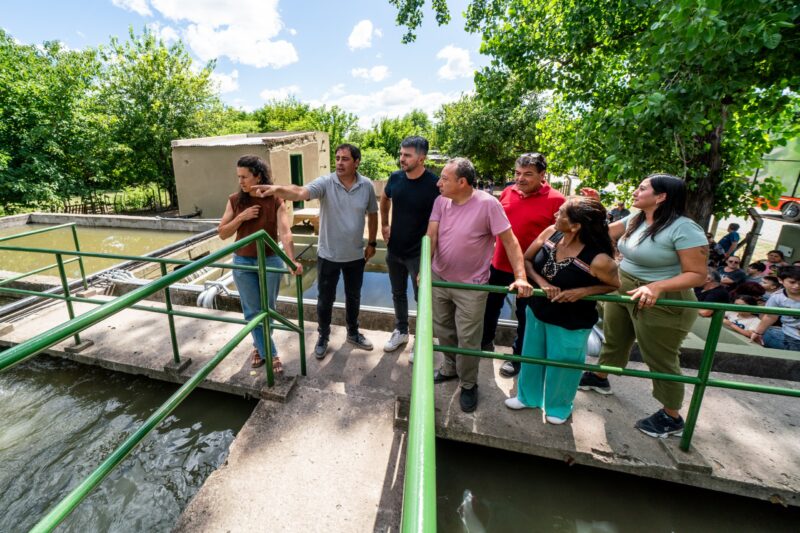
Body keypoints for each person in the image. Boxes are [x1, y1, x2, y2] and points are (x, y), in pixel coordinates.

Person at [578, 174, 707, 439]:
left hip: (662, 299)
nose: (635, 192)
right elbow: (601, 234)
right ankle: (600, 377)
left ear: (661, 197)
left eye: (642, 188)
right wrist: (595, 207)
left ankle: (671, 416)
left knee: (660, 357)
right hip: (625, 288)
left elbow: (697, 274)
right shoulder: (636, 218)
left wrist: (657, 286)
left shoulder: (685, 229)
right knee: (614, 338)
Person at [427, 157, 533, 412]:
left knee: (468, 338)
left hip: (471, 287)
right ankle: (450, 367)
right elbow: (431, 235)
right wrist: (424, 268)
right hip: (439, 278)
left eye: (444, 178)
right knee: (444, 330)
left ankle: (468, 383)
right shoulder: (441, 201)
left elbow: (510, 241)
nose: (439, 183)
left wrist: (520, 276)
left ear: (462, 182)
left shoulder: (488, 204)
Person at [254, 144, 378, 359]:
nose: (339, 163)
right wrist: (277, 190)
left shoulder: (366, 185)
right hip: (328, 255)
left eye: (345, 159)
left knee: (354, 296)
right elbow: (300, 191)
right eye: (337, 158)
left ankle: (353, 332)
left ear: (356, 162)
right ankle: (323, 336)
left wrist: (373, 243)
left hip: (355, 255)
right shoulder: (326, 183)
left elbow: (373, 214)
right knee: (325, 300)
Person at [504, 197, 619, 423]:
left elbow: (614, 285)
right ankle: (527, 397)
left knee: (564, 363)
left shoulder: (599, 259)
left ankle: (559, 407)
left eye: (561, 213)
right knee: (531, 356)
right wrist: (542, 283)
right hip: (537, 310)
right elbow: (527, 261)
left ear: (575, 226)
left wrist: (584, 291)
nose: (556, 216)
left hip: (572, 319)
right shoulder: (551, 233)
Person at [481, 153, 565, 378]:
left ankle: (518, 356)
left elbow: (562, 237)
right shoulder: (508, 192)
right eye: (517, 173)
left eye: (528, 174)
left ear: (542, 175)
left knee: (525, 315)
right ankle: (485, 342)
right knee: (489, 308)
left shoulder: (557, 200)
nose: (520, 179)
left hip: (531, 270)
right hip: (498, 264)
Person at [218, 155, 302, 372]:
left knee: (268, 309)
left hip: (271, 259)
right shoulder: (235, 200)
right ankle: (271, 355)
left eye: (245, 177)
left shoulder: (275, 200)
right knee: (253, 312)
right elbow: (222, 233)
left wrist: (291, 260)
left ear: (258, 176)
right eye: (238, 177)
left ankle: (258, 347)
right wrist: (241, 218)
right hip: (243, 262)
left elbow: (285, 232)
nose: (241, 181)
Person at [379, 136, 439, 356]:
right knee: (397, 293)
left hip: (419, 254)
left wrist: (432, 253)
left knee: (422, 299)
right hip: (395, 250)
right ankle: (401, 331)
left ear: (421, 159)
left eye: (407, 155)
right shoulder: (395, 178)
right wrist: (384, 224)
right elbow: (384, 198)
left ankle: (421, 339)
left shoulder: (434, 185)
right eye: (401, 154)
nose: (401, 159)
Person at [751, 266, 800, 351]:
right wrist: (758, 332)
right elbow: (770, 316)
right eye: (792, 282)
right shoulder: (776, 297)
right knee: (768, 333)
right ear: (780, 280)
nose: (797, 286)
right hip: (792, 335)